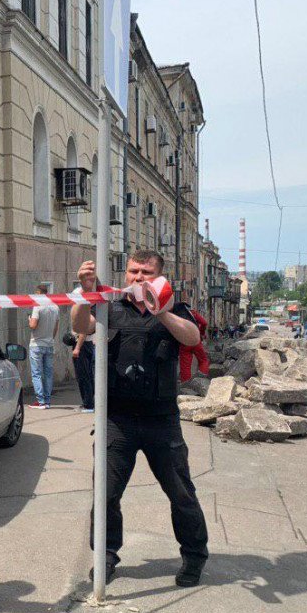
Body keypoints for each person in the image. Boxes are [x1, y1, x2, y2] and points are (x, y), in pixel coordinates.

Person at [71, 249, 209, 588]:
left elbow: (192, 337)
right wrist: (86, 293)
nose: (138, 277)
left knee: (181, 492)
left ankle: (194, 555)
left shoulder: (174, 309)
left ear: (160, 276)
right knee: (106, 494)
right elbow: (80, 325)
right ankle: (105, 555)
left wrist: (161, 312)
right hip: (117, 419)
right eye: (133, 271)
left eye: (146, 272)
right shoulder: (111, 306)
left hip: (161, 420)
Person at [27, 284, 60, 409]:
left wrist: (29, 320)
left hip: (36, 344)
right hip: (49, 344)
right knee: (48, 374)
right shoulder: (55, 307)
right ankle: (47, 401)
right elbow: (56, 327)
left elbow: (33, 325)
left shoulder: (37, 306)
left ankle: (40, 402)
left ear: (38, 293)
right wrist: (50, 338)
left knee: (36, 373)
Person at [179, 309, 211, 382]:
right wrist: (201, 333)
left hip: (184, 341)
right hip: (196, 339)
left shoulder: (177, 315)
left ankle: (186, 384)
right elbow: (204, 323)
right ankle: (202, 380)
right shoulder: (192, 313)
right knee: (203, 360)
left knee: (185, 365)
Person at [72, 331, 94, 413]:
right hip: (87, 344)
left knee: (83, 376)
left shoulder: (83, 320)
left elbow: (83, 331)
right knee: (88, 375)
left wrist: (77, 348)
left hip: (82, 345)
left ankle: (88, 405)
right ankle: (89, 402)